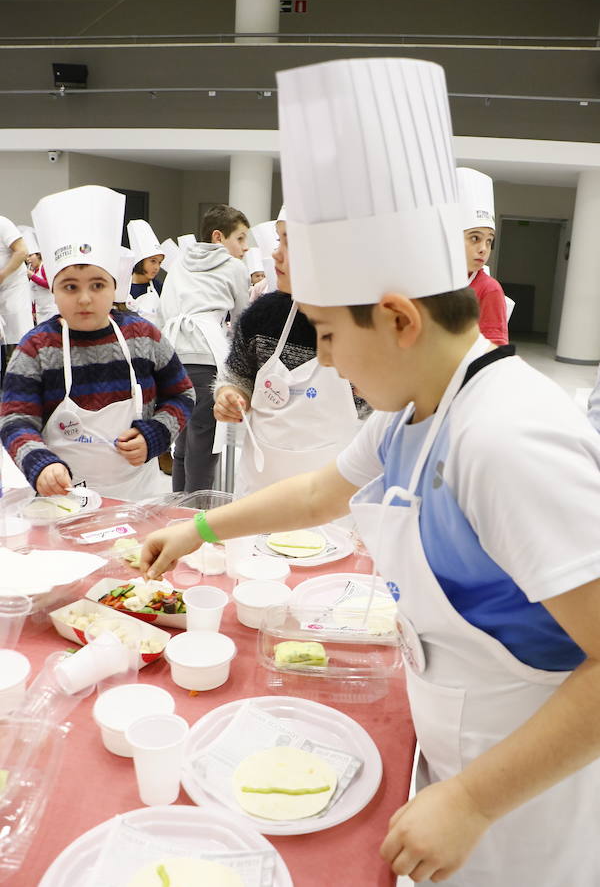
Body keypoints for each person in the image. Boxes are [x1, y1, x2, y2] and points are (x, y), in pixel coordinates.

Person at [140, 57, 600, 886]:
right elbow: (322, 491)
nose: (323, 358)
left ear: (397, 318)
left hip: (525, 803)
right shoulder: (415, 408)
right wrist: (198, 526)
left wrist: (476, 802)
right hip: (454, 750)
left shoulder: (504, 438)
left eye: (325, 334)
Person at [0, 185, 194, 501]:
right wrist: (40, 463)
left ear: (114, 286)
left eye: (98, 284)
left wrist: (156, 435)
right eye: (70, 286)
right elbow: (15, 419)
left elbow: (182, 393)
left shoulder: (144, 336)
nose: (85, 298)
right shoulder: (36, 348)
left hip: (135, 498)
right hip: (62, 499)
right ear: (53, 290)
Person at [213, 206, 367, 497]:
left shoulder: (365, 329)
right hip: (260, 488)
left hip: (331, 499)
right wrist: (229, 397)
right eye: (278, 239)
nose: (275, 253)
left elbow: (378, 421)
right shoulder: (262, 315)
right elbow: (237, 378)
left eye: (289, 242)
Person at [158, 204, 250, 493]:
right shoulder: (234, 266)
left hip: (172, 356)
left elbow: (165, 310)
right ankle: (196, 518)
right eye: (241, 238)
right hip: (206, 356)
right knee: (204, 441)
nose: (245, 248)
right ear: (218, 237)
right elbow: (242, 319)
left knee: (183, 440)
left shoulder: (179, 263)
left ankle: (177, 511)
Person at [457, 167, 508, 345]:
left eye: (488, 241)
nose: (483, 249)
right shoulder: (434, 281)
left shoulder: (489, 289)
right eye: (475, 238)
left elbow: (495, 347)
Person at [0, 214, 34, 379]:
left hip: (13, 288)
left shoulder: (3, 223)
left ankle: (20, 382)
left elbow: (22, 251)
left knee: (17, 336)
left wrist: (3, 275)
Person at [125, 219, 165, 325]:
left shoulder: (159, 288)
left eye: (159, 263)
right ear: (140, 260)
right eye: (153, 261)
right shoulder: (122, 286)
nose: (157, 267)